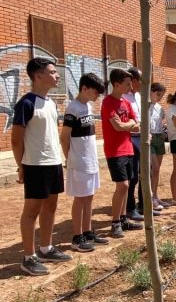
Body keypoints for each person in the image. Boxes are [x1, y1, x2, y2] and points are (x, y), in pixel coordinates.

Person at [11, 58, 72, 276]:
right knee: (32, 211)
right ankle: (28, 258)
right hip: (35, 164)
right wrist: (21, 166)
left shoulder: (51, 103)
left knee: (51, 207)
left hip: (53, 162)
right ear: (38, 76)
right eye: (53, 72)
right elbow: (16, 140)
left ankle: (46, 248)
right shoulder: (26, 103)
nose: (57, 76)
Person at [60, 72, 108, 253]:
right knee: (80, 199)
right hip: (78, 162)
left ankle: (88, 232)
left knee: (89, 197)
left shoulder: (87, 107)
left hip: (90, 160)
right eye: (95, 93)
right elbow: (64, 137)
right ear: (85, 88)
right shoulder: (73, 108)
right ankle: (77, 237)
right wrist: (69, 158)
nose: (97, 97)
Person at [101, 68, 144, 238]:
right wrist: (128, 125)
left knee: (128, 184)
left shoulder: (126, 103)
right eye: (127, 84)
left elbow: (136, 123)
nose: (130, 86)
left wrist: (125, 125)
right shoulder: (108, 102)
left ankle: (124, 219)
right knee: (123, 185)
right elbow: (117, 126)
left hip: (128, 147)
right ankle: (115, 222)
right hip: (115, 150)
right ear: (117, 84)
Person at [123, 67, 160, 219]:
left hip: (144, 137)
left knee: (147, 172)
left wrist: (148, 133)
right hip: (130, 138)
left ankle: (144, 206)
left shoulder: (139, 96)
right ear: (133, 80)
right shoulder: (123, 97)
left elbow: (144, 117)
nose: (143, 83)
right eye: (140, 79)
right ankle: (130, 209)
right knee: (133, 175)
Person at [149, 82, 171, 210]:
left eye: (161, 96)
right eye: (157, 94)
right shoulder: (144, 106)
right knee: (154, 168)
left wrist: (164, 130)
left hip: (159, 138)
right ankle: (150, 198)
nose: (159, 97)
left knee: (157, 171)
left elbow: (162, 121)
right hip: (150, 138)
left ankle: (156, 196)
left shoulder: (159, 107)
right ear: (151, 92)